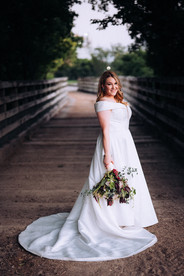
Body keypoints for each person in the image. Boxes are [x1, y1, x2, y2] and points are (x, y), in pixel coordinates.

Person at [18, 71, 158, 261]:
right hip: (113, 145)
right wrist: (107, 156)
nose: (113, 87)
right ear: (102, 86)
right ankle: (107, 219)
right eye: (109, 84)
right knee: (107, 180)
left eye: (115, 83)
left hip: (126, 144)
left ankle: (125, 217)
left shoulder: (120, 101)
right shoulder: (102, 104)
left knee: (127, 179)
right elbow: (106, 130)